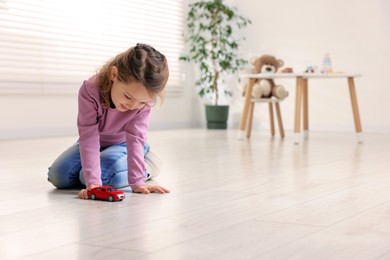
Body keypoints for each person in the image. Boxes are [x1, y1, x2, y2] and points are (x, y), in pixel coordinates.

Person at [47, 43, 170, 199]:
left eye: (141, 102)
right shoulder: (89, 90)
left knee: (92, 177)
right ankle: (104, 169)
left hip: (125, 144)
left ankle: (148, 165)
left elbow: (135, 138)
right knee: (58, 176)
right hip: (96, 143)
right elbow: (88, 137)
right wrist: (93, 185)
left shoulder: (144, 102)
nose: (133, 106)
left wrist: (138, 181)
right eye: (128, 97)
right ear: (114, 75)